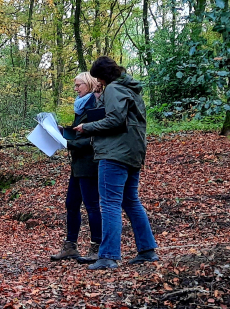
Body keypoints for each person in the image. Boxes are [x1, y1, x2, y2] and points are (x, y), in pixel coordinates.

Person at [73, 56, 159, 270]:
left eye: (99, 78)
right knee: (131, 201)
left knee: (109, 203)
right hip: (134, 152)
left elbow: (115, 120)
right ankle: (147, 250)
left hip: (114, 153)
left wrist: (87, 127)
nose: (98, 83)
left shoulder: (113, 89)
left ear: (104, 76)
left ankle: (109, 255)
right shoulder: (131, 90)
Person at [50, 72, 103, 264]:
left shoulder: (95, 106)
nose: (76, 88)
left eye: (78, 85)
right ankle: (70, 246)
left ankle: (97, 247)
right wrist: (59, 131)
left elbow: (91, 139)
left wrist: (66, 143)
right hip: (77, 164)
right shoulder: (81, 107)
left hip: (89, 164)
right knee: (71, 204)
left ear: (89, 84)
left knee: (92, 206)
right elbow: (76, 133)